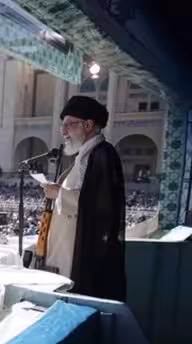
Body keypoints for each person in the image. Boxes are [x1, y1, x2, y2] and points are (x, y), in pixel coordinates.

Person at [44, 95, 126, 301]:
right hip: (69, 245)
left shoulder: (102, 154)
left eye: (68, 125)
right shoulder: (86, 154)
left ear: (88, 125)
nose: (63, 132)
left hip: (83, 252)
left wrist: (58, 194)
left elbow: (100, 205)